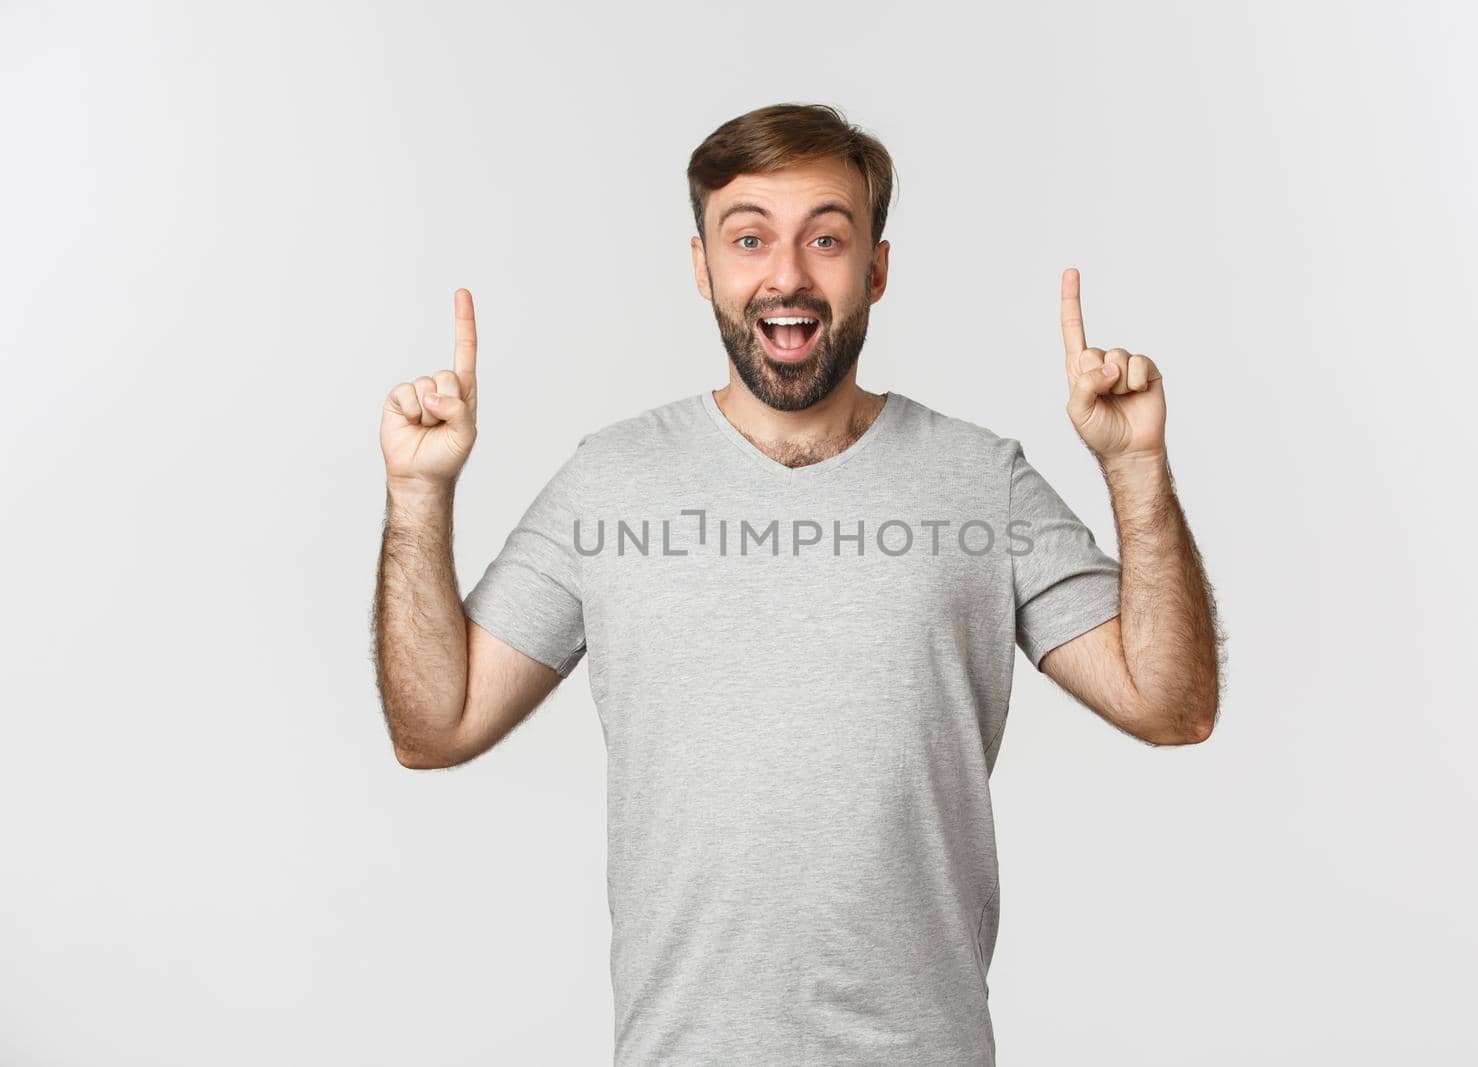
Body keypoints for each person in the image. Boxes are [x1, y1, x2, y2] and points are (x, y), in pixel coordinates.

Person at [373, 102, 1222, 1066]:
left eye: (827, 237)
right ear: (703, 268)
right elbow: (433, 728)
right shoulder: (608, 484)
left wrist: (1136, 468)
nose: (787, 275)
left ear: (877, 268)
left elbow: (1171, 704)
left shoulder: (980, 480)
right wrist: (418, 494)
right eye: (748, 238)